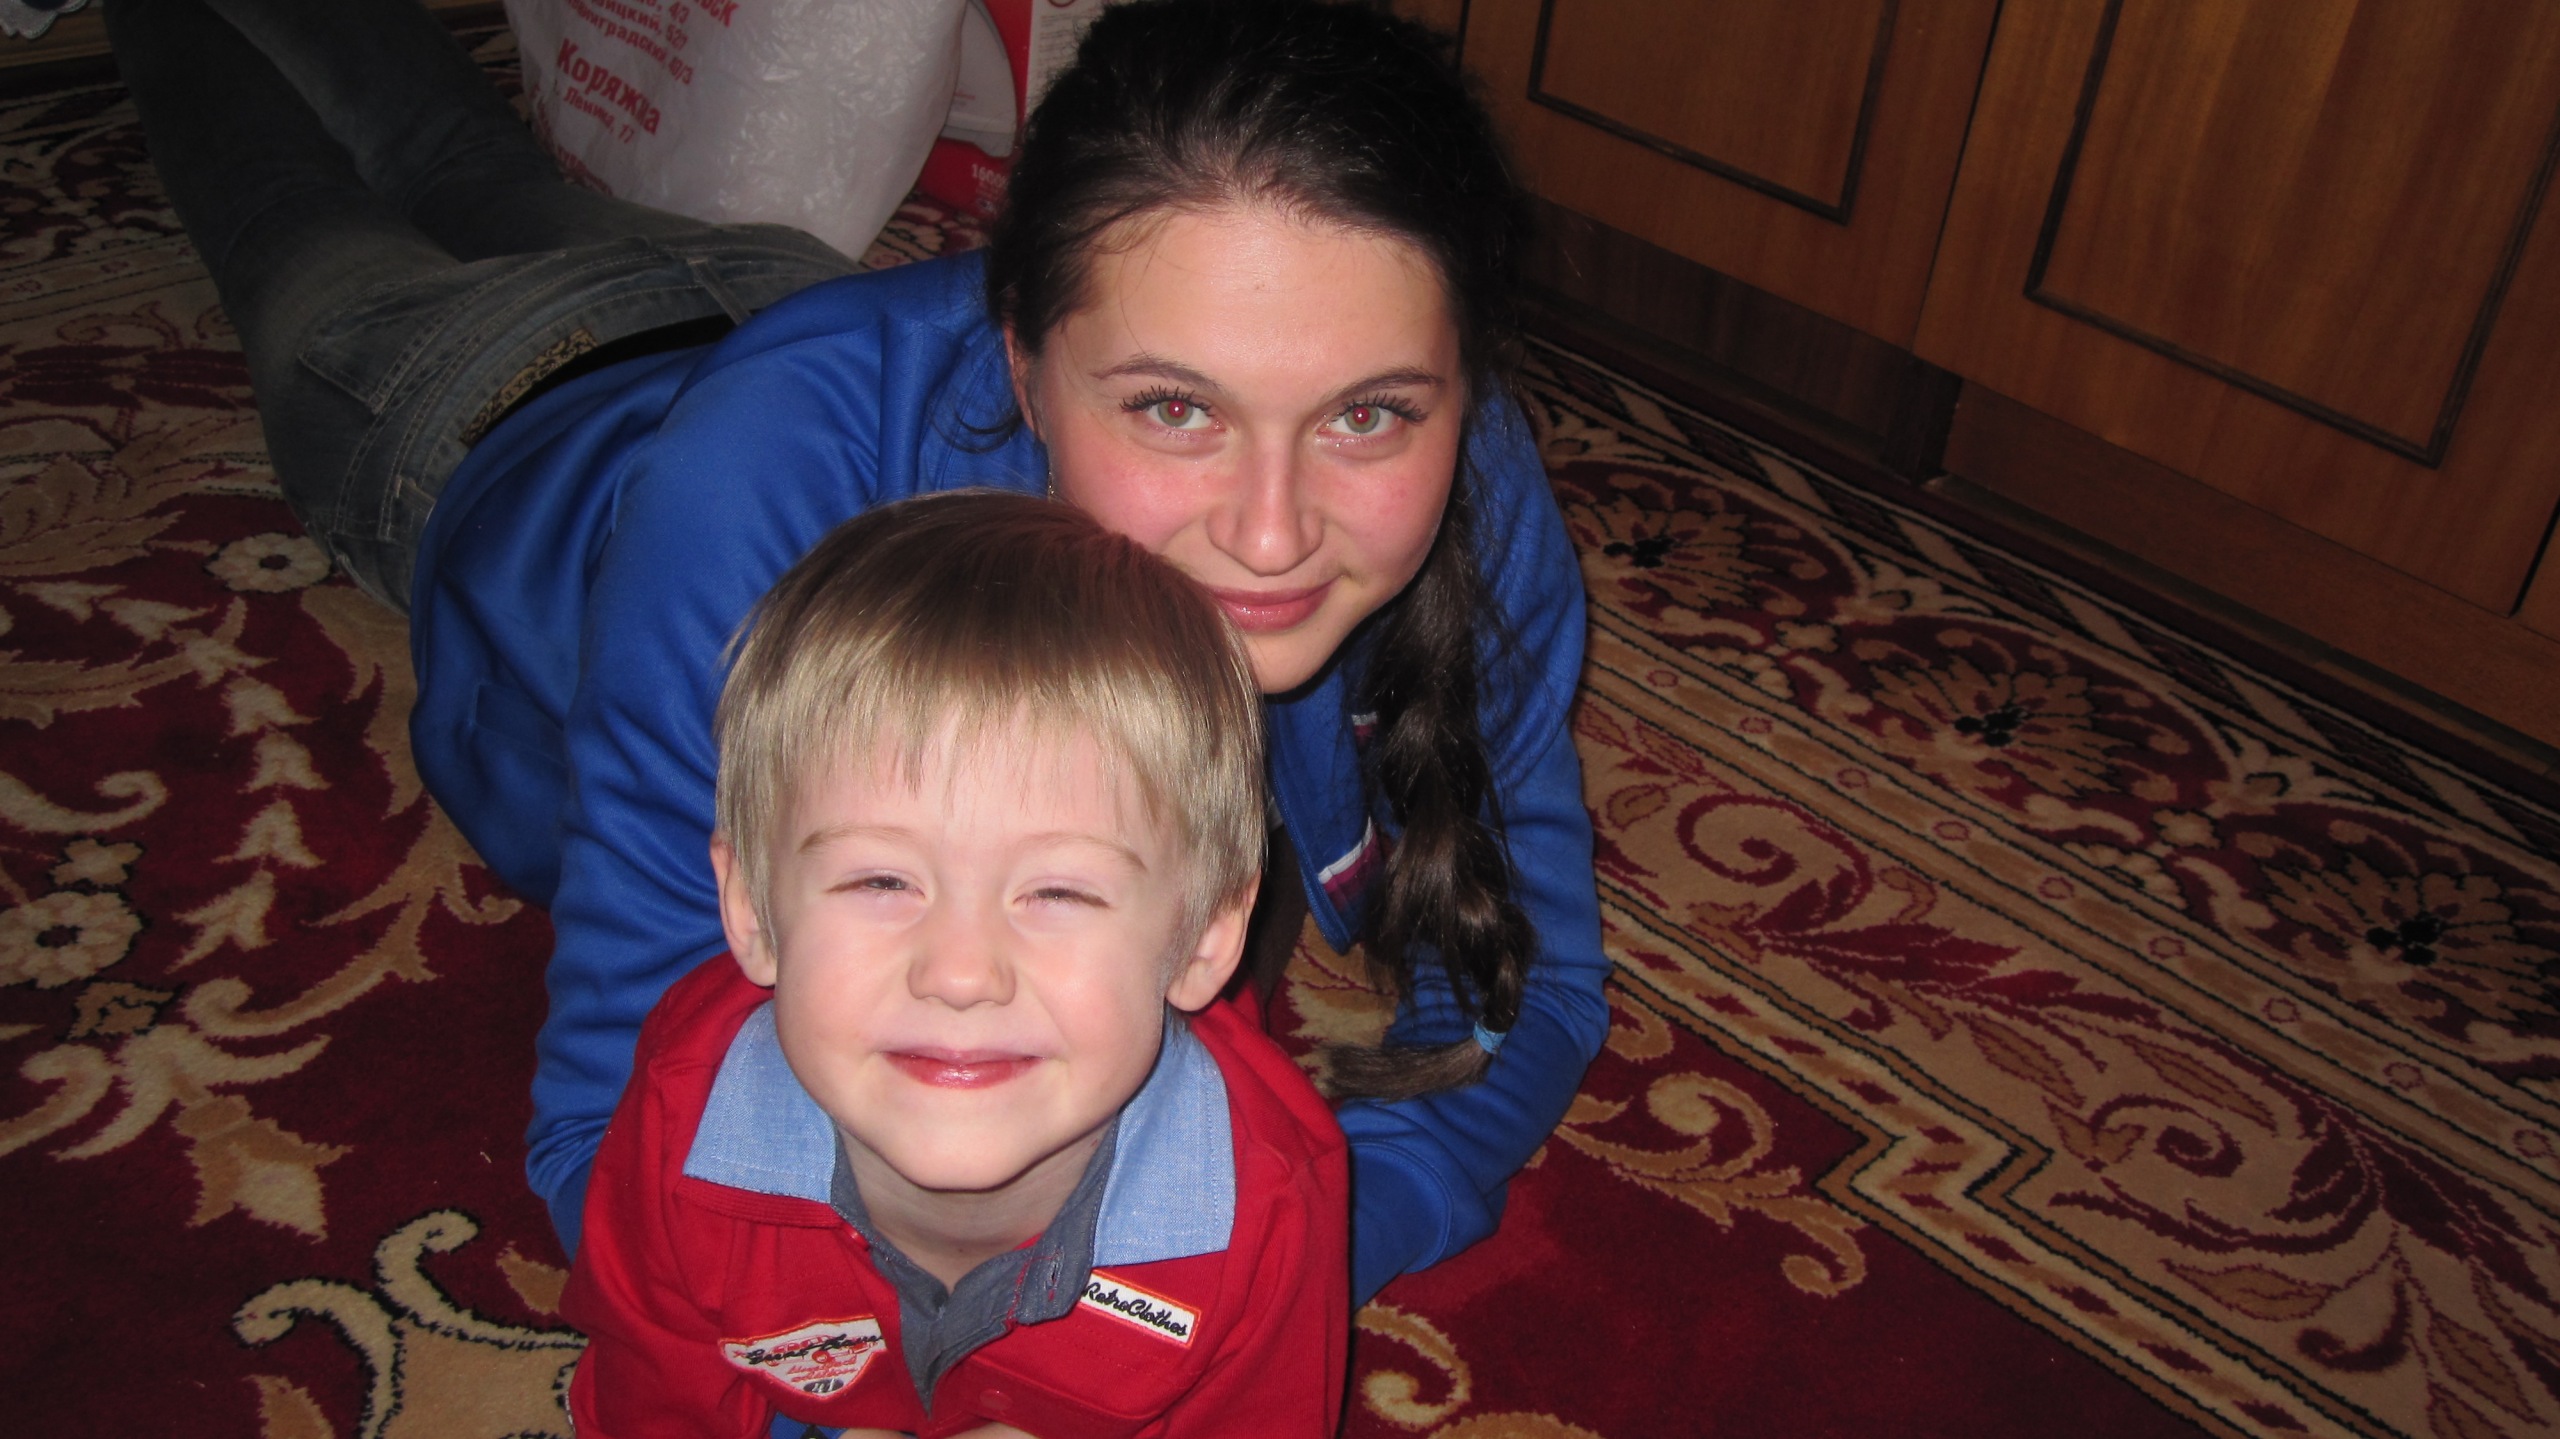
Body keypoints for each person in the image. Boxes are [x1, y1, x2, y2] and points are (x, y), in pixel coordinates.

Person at [109, 0, 1610, 1306]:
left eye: (1367, 414)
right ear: (1023, 361)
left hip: (765, 281)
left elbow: (1526, 984)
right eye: (1174, 407)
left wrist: (1268, 1262)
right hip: (493, 400)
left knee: (470, 160)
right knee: (281, 195)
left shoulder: (1466, 466)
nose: (1273, 535)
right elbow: (613, 1134)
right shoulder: (751, 507)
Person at [565, 492, 1347, 1438]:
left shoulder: (1270, 1207)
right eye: (882, 879)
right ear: (751, 910)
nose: (961, 973)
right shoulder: (681, 1114)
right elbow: (651, 1402)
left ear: (1209, 936)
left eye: (1057, 892)